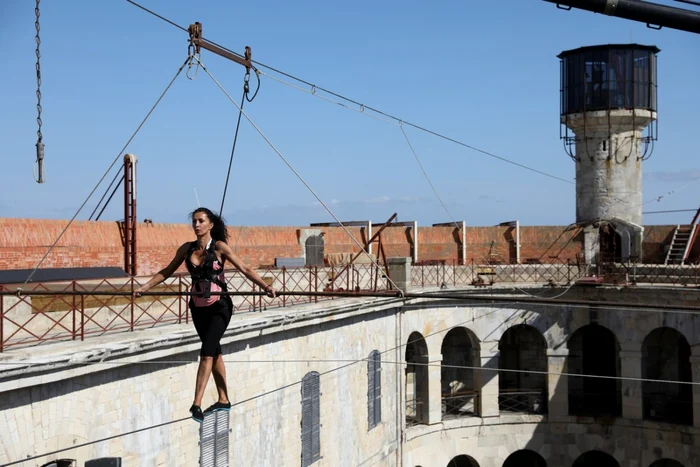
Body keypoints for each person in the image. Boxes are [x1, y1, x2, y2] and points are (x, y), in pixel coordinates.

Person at [134, 207, 276, 423]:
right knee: (215, 350)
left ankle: (196, 404)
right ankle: (223, 398)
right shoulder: (186, 249)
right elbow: (166, 271)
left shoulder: (219, 247)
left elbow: (245, 268)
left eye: (201, 221)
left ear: (210, 225)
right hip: (198, 308)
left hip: (220, 307)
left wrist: (265, 286)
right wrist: (144, 287)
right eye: (194, 221)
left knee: (207, 352)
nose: (197, 225)